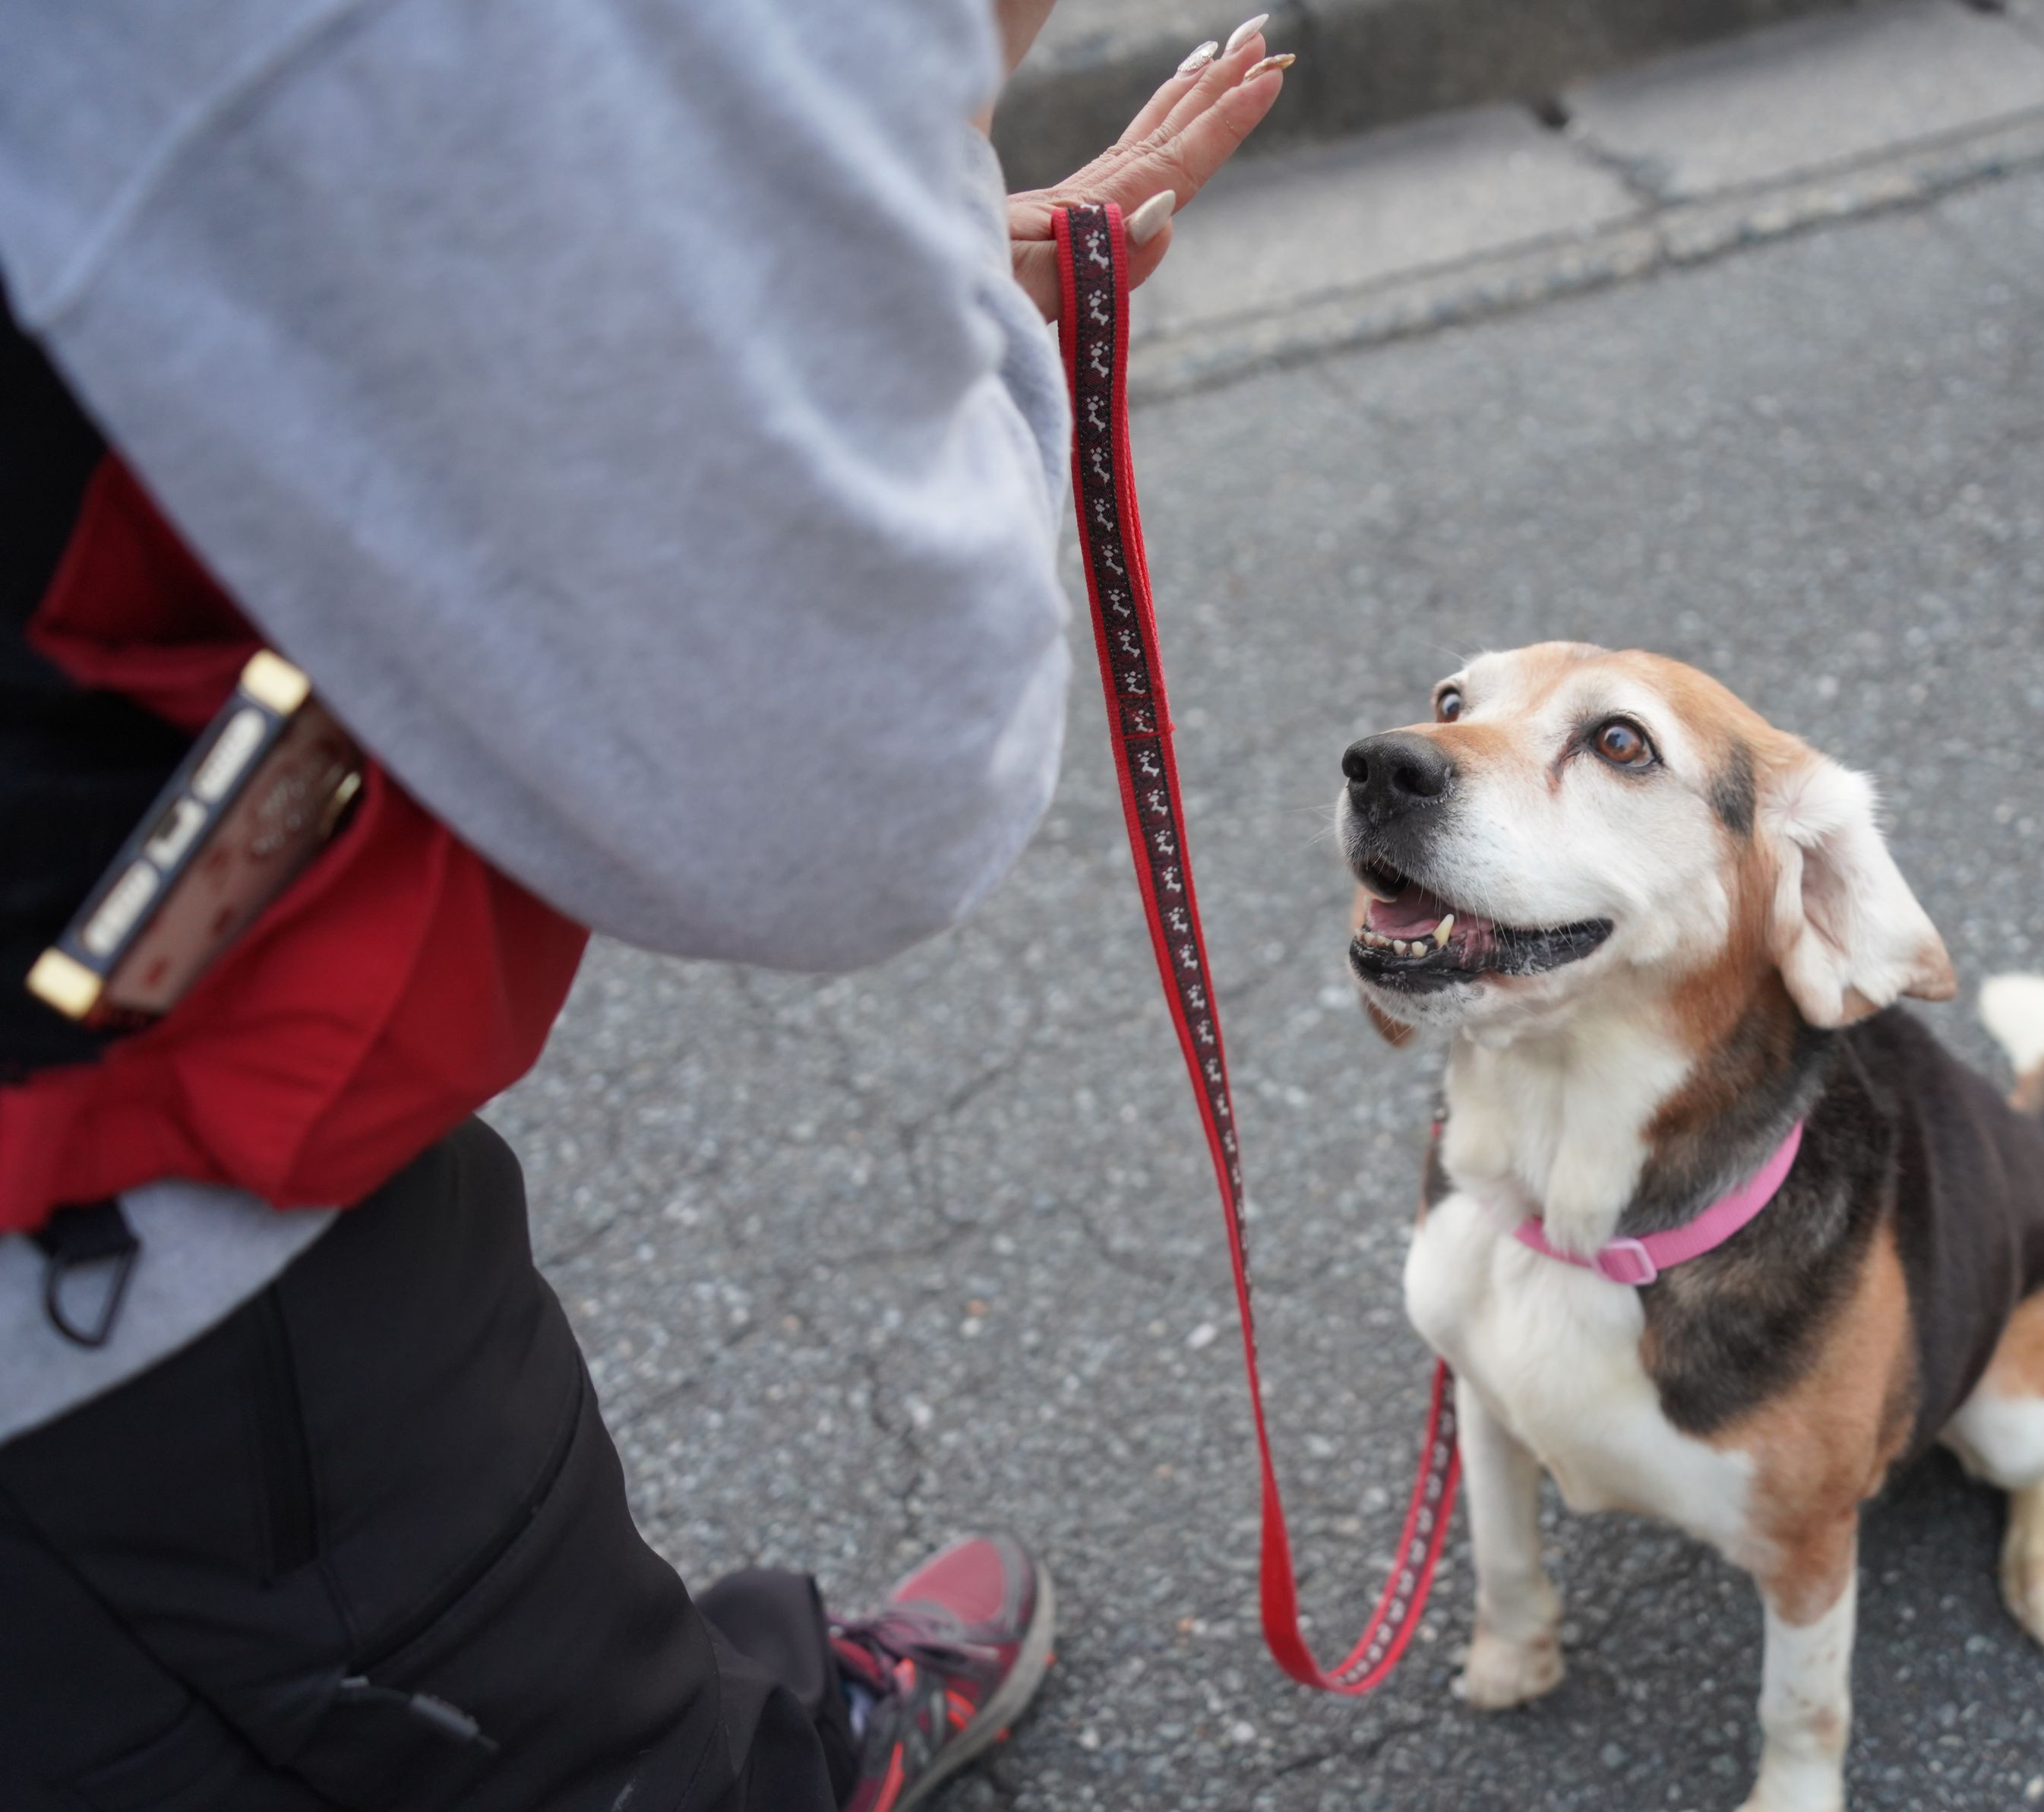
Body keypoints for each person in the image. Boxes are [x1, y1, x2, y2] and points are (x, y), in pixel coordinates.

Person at [0, 3, 1286, 1807]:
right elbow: (865, 801)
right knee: (529, 1720)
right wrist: (883, 265)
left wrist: (736, 290)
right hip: (126, 1244)